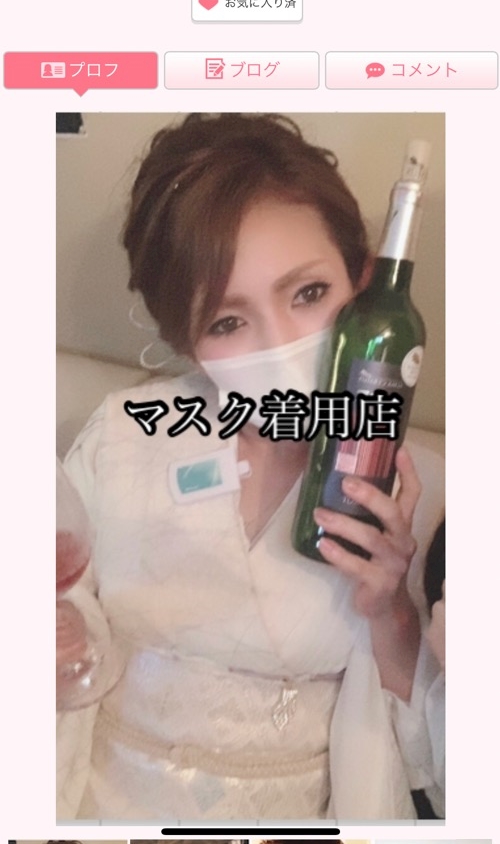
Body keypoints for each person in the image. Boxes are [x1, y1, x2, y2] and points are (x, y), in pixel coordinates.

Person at [57, 113, 443, 820]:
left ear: (363, 282)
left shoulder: (414, 487)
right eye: (227, 322)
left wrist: (390, 613)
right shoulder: (124, 437)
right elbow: (58, 607)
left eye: (309, 294)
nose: (279, 345)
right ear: (186, 341)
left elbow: (436, 766)